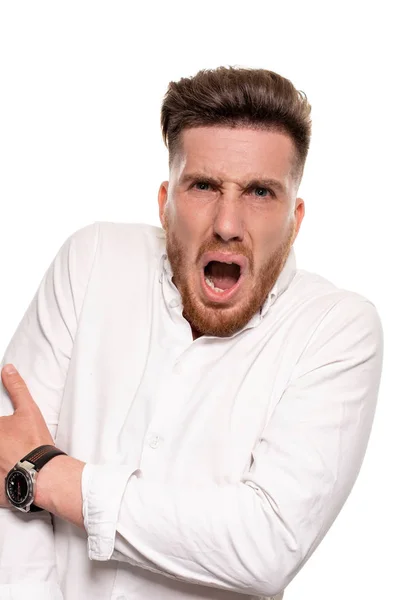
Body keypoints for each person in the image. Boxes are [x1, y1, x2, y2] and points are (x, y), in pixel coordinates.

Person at [0, 66, 383, 600]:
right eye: (203, 185)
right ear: (165, 202)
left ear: (295, 219)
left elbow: (265, 545)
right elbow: (4, 463)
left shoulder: (338, 329)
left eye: (259, 192)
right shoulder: (91, 261)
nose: (227, 223)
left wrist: (48, 477)